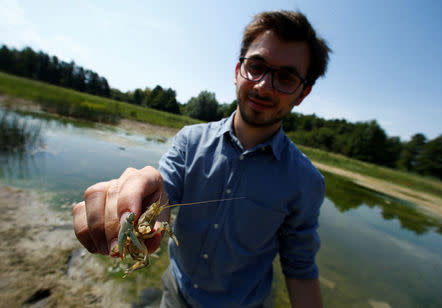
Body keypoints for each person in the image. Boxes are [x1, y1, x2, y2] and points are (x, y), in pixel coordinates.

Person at [73, 10, 331, 308]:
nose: (262, 85)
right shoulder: (188, 140)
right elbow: (162, 193)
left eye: (285, 77)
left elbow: (300, 268)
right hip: (176, 294)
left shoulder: (307, 182)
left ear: (303, 93)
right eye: (256, 66)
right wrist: (140, 193)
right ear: (237, 71)